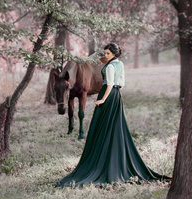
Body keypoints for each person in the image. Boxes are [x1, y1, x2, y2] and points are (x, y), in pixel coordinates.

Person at [56, 42, 171, 188]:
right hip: (117, 96)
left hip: (107, 95)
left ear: (114, 54)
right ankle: (113, 158)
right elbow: (121, 83)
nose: (105, 56)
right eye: (105, 53)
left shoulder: (110, 66)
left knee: (101, 126)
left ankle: (101, 161)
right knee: (115, 126)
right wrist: (114, 90)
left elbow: (109, 84)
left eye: (108, 54)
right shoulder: (120, 65)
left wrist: (103, 99)